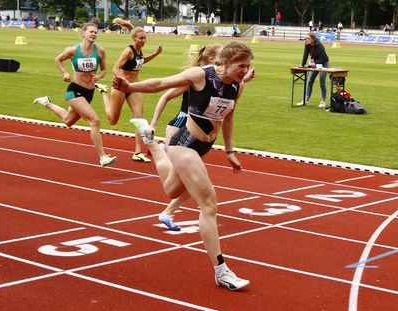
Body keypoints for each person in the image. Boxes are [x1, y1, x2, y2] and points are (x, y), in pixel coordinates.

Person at [112, 41, 253, 290]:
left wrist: (229, 151)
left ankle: (154, 147)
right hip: (184, 143)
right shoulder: (200, 75)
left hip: (205, 146)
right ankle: (221, 271)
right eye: (242, 65)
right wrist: (130, 86)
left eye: (248, 66)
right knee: (209, 203)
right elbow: (161, 85)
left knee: (173, 190)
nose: (246, 70)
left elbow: (228, 118)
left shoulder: (237, 87)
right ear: (226, 62)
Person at [150, 44, 255, 231]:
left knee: (186, 182)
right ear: (213, 61)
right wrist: (153, 124)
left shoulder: (225, 82)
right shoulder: (196, 77)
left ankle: (168, 211)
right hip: (180, 126)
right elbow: (164, 94)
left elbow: (225, 94)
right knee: (183, 179)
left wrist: (243, 78)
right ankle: (155, 148)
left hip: (201, 132)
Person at [33, 23, 117, 167]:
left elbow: (104, 70)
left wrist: (98, 77)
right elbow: (58, 60)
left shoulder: (100, 51)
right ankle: (103, 157)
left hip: (89, 93)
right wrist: (65, 73)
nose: (94, 34)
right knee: (95, 121)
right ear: (83, 34)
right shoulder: (73, 50)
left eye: (96, 32)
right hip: (74, 91)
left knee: (68, 121)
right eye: (91, 32)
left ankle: (46, 102)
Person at [97, 20, 163, 163]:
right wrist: (124, 80)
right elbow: (115, 68)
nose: (144, 40)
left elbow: (141, 61)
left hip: (134, 87)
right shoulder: (128, 50)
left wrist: (156, 54)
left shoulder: (139, 51)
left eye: (145, 38)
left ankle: (138, 152)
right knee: (112, 120)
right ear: (134, 39)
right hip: (121, 87)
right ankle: (103, 92)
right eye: (141, 38)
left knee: (140, 119)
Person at [296, 32, 330, 109]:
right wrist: (303, 65)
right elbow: (305, 54)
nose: (306, 39)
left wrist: (315, 63)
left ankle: (323, 101)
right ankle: (306, 100)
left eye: (308, 38)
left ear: (312, 39)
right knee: (310, 81)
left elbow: (323, 59)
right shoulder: (307, 44)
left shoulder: (320, 46)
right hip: (315, 63)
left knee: (322, 82)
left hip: (324, 64)